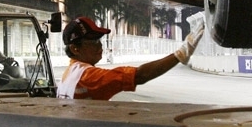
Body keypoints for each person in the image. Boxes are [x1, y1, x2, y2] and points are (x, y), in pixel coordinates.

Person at [57, 14, 204, 100]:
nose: (100, 46)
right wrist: (181, 54)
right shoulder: (87, 77)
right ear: (75, 48)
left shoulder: (69, 74)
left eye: (99, 40)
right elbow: (140, 75)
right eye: (94, 41)